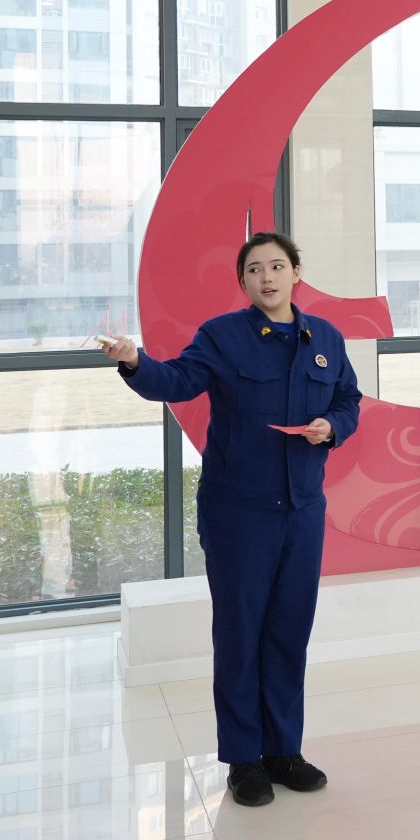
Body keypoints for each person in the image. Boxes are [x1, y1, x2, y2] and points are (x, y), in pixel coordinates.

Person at [103, 232, 363, 808]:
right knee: (241, 634)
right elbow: (177, 380)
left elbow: (348, 399)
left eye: (277, 266)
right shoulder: (222, 336)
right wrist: (134, 362)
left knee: (289, 632)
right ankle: (244, 759)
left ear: (297, 272)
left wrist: (333, 426)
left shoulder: (325, 338)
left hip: (302, 510)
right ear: (243, 281)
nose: (266, 277)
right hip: (238, 513)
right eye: (254, 269)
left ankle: (284, 751)